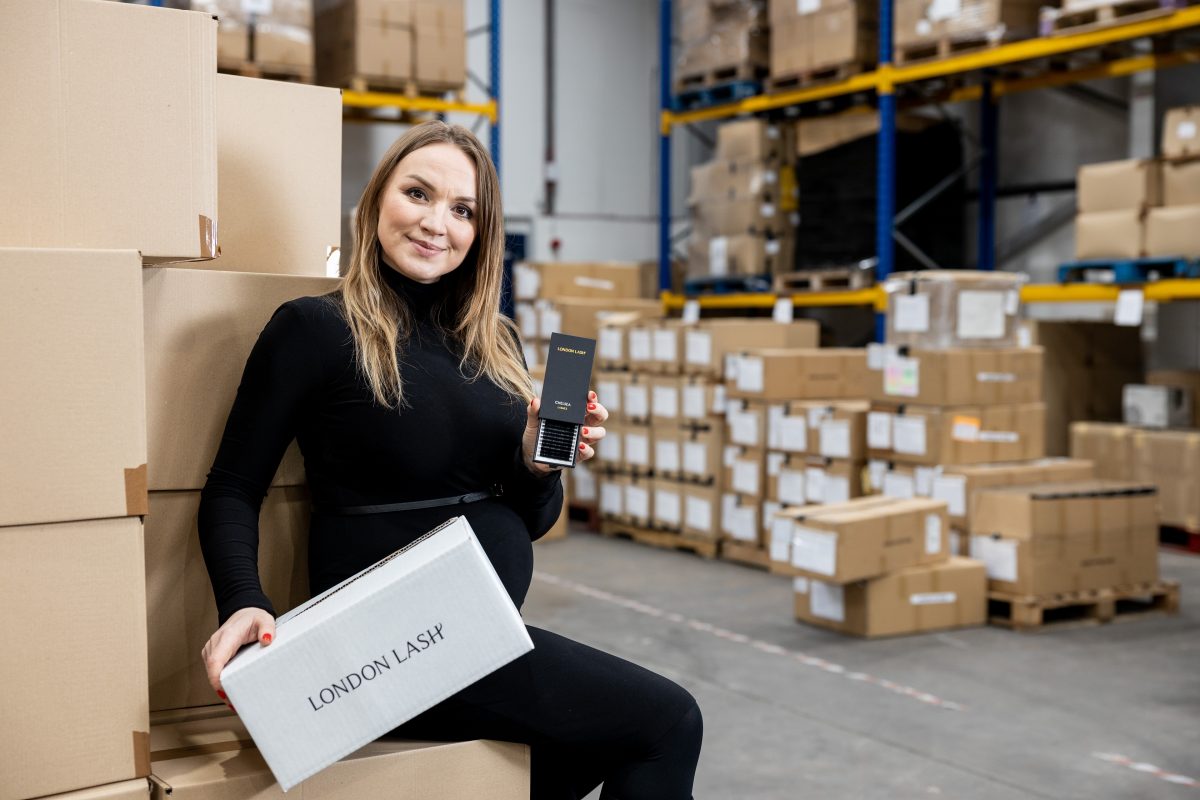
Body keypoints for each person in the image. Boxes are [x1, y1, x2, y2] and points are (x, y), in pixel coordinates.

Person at [197, 120, 702, 799]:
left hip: (478, 629)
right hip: (392, 640)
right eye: (418, 193)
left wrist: (535, 464)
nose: (438, 222)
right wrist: (242, 602)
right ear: (377, 200)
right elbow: (232, 486)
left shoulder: (499, 345)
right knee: (667, 723)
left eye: (463, 209)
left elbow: (534, 520)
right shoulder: (315, 329)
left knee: (588, 751)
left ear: (482, 232)